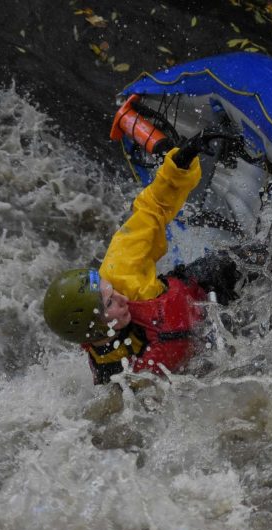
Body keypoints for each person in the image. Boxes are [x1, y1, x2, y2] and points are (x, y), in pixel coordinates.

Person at [42, 138, 239, 384]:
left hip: (209, 290)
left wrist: (179, 165)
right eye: (110, 302)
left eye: (111, 291)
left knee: (243, 261)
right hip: (203, 359)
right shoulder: (118, 377)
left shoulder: (121, 270)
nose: (124, 298)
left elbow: (151, 209)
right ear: (97, 330)